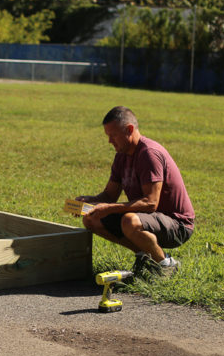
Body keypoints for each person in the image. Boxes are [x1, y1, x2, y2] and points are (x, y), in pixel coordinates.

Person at [75, 106, 195, 276]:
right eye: (107, 136)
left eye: (113, 135)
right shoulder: (121, 156)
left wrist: (108, 208)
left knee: (129, 221)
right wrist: (90, 201)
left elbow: (150, 203)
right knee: (91, 219)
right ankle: (144, 256)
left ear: (130, 130)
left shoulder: (149, 154)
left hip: (177, 224)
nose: (110, 141)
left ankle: (166, 265)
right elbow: (109, 195)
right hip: (146, 218)